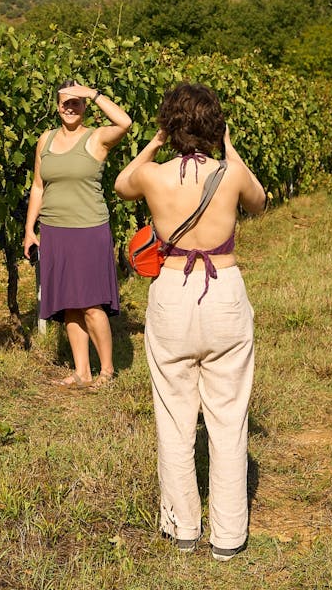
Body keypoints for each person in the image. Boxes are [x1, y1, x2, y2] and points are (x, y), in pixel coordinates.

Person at [113, 82, 268, 560]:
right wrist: (229, 146)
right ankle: (228, 536)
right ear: (215, 124)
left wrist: (155, 142)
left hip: (172, 296)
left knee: (174, 417)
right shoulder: (230, 173)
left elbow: (122, 183)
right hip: (222, 291)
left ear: (170, 124)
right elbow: (260, 202)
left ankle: (183, 529)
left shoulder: (153, 177)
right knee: (228, 417)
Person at [24, 80, 132, 390]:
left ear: (84, 106)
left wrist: (94, 94)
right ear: (56, 105)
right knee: (69, 304)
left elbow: (124, 122)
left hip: (88, 230)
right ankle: (82, 372)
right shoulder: (45, 140)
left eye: (76, 102)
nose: (70, 107)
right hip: (55, 231)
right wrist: (30, 229)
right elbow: (38, 186)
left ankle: (107, 371)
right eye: (65, 102)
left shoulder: (97, 137)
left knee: (92, 304)